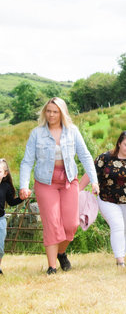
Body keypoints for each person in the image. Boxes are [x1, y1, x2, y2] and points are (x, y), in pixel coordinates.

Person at [19, 97, 99, 275]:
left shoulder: (72, 131)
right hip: (45, 183)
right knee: (52, 224)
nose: (51, 115)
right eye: (48, 111)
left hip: (69, 181)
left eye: (55, 112)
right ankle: (51, 267)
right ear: (44, 112)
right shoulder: (37, 133)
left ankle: (61, 253)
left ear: (62, 113)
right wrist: (23, 185)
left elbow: (85, 156)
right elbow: (26, 162)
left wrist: (94, 180)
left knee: (71, 225)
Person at [79, 130, 126, 267]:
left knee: (125, 230)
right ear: (119, 143)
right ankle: (120, 261)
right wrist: (77, 191)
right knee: (117, 226)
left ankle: (121, 254)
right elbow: (90, 174)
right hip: (107, 200)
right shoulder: (105, 158)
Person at [0, 158, 25, 274]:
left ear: (5, 174)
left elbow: (11, 202)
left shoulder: (6, 187)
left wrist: (21, 198)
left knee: (0, 248)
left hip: (0, 220)